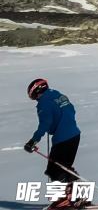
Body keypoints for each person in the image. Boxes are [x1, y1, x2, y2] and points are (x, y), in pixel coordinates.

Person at [24, 78, 83, 210]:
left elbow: (45, 124)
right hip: (75, 135)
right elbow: (71, 110)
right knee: (64, 167)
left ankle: (64, 200)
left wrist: (33, 141)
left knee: (55, 170)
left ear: (37, 91)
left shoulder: (44, 103)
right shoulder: (59, 95)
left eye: (35, 96)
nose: (36, 99)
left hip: (63, 139)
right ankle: (76, 195)